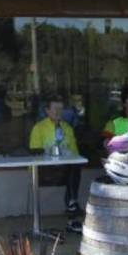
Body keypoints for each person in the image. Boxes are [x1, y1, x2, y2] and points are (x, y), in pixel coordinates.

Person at [29, 94, 83, 232]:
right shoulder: (39, 128)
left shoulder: (68, 128)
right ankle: (72, 211)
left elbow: (75, 154)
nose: (59, 112)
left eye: (61, 109)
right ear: (47, 111)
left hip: (64, 171)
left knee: (74, 167)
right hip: (44, 171)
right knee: (71, 171)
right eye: (55, 109)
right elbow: (34, 153)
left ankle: (72, 208)